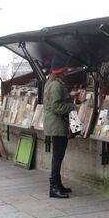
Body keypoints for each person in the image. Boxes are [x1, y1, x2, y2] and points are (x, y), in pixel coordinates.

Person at [43, 56, 75, 199]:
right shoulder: (56, 85)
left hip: (56, 123)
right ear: (62, 70)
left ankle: (58, 184)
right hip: (57, 124)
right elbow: (56, 106)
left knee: (58, 156)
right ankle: (54, 188)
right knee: (57, 157)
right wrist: (73, 105)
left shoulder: (54, 82)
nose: (67, 71)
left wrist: (70, 98)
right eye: (66, 69)